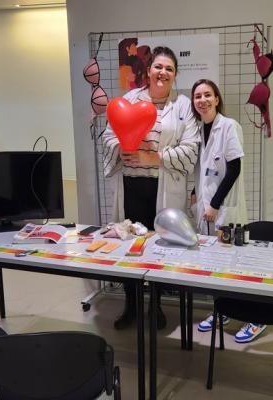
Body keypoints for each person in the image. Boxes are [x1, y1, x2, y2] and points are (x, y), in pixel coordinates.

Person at [103, 46, 200, 330]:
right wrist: (121, 150)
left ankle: (155, 305)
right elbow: (110, 135)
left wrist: (154, 157)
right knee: (130, 246)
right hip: (132, 186)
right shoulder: (129, 99)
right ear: (148, 71)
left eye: (169, 69)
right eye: (158, 67)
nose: (163, 73)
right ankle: (131, 305)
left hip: (163, 189)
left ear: (175, 75)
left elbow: (191, 147)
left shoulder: (182, 106)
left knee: (160, 248)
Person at [190, 79, 266, 343]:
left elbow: (234, 170)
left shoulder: (229, 126)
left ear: (217, 98)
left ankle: (257, 318)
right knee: (214, 265)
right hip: (208, 208)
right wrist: (196, 195)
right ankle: (222, 311)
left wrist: (214, 204)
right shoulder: (200, 129)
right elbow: (203, 169)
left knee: (238, 265)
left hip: (225, 210)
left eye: (207, 95)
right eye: (198, 96)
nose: (203, 100)